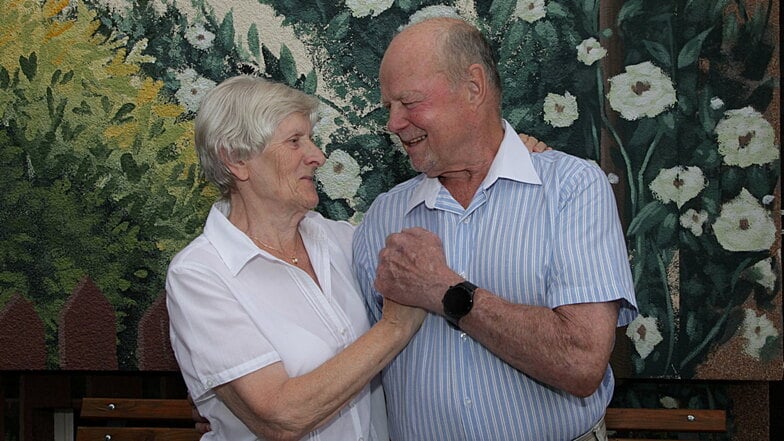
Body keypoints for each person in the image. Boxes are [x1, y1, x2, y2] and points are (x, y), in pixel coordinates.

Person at [351, 17, 638, 441]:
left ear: (473, 88)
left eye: (408, 102)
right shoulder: (383, 216)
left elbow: (581, 364)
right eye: (388, 107)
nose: (393, 123)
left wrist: (447, 292)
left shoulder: (571, 188)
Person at [165, 75, 427, 441]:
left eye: (311, 138)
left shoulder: (341, 240)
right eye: (294, 141)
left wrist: (508, 157)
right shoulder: (200, 275)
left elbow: (445, 239)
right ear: (237, 160)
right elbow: (280, 417)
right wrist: (395, 328)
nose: (318, 156)